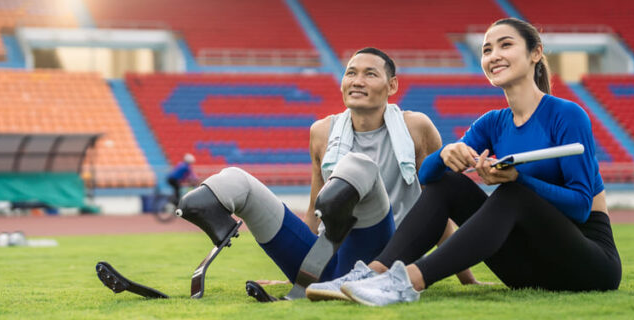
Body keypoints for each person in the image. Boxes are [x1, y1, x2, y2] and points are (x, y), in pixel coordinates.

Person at [318, 18, 622, 306]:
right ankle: (374, 274)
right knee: (447, 181)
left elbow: (582, 206)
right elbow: (428, 176)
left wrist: (518, 179)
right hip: (526, 269)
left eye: (505, 45)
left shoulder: (567, 115)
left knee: (513, 194)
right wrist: (445, 154)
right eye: (487, 50)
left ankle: (407, 281)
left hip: (588, 264)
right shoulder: (492, 123)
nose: (494, 55)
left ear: (535, 53)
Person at [176, 47, 474, 292]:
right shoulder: (321, 131)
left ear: (392, 85)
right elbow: (314, 211)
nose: (357, 81)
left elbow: (437, 211)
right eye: (351, 73)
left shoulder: (417, 127)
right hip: (331, 258)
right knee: (235, 180)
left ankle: (341, 279)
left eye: (370, 74)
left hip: (384, 261)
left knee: (358, 167)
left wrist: (467, 281)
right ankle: (200, 203)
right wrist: (297, 268)